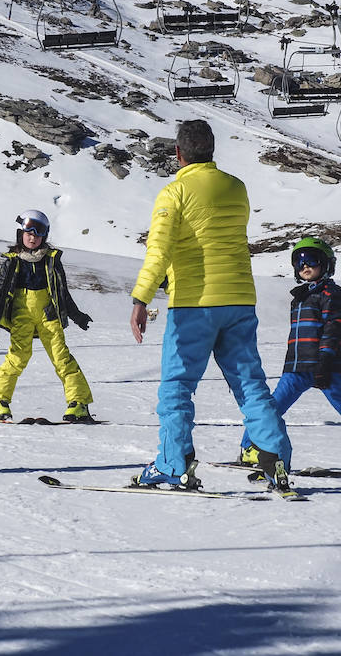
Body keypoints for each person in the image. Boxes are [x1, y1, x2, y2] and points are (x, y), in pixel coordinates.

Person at [129, 120, 293, 491]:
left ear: (178, 154)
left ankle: (174, 464)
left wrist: (141, 298)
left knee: (177, 387)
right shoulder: (237, 188)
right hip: (238, 300)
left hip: (194, 304)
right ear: (212, 150)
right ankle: (275, 460)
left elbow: (159, 251)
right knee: (250, 384)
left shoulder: (175, 193)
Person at [242, 236, 341, 469]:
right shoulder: (300, 299)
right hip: (296, 367)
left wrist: (325, 361)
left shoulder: (331, 296)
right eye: (299, 261)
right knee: (270, 408)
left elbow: (333, 331)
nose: (305, 266)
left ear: (326, 264)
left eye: (311, 260)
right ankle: (252, 448)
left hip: (326, 367)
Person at [0, 209, 94, 422]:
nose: (33, 237)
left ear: (45, 235)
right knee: (17, 357)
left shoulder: (51, 260)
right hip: (20, 314)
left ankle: (78, 403)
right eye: (29, 232)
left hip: (48, 313)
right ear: (21, 233)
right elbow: (0, 292)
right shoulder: (12, 260)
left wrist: (76, 315)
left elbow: (62, 292)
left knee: (61, 357)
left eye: (38, 232)